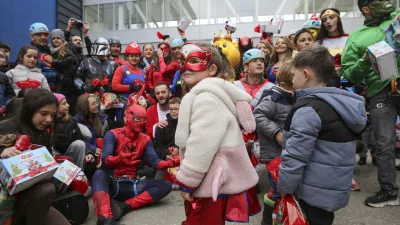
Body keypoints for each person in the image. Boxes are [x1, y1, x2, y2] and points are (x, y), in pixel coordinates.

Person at [278, 45, 367, 225]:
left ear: (305, 74)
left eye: (293, 76)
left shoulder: (308, 110)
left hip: (310, 192)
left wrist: (284, 187)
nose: (292, 81)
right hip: (330, 190)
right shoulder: (340, 104)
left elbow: (295, 156)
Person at [176, 42, 260, 224]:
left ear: (212, 68)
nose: (185, 66)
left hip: (209, 183)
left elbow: (202, 144)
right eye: (182, 61)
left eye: (195, 60)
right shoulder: (210, 94)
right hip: (213, 180)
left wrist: (187, 182)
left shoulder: (206, 99)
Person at [341, 0, 400, 207]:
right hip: (381, 93)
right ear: (366, 8)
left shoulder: (398, 16)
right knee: (384, 144)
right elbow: (348, 74)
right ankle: (389, 192)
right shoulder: (356, 37)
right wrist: (365, 61)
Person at [90, 104, 180, 225]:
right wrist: (119, 159)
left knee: (166, 185)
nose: (141, 123)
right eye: (138, 119)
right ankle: (105, 218)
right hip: (113, 183)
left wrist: (174, 160)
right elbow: (106, 159)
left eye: (144, 120)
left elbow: (156, 163)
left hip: (133, 185)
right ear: (128, 117)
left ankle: (125, 206)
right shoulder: (112, 134)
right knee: (99, 174)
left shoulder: (145, 139)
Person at [0, 88, 70, 225]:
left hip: (33, 193)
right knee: (46, 190)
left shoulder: (43, 133)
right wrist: (2, 151)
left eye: (52, 115)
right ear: (30, 109)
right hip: (8, 197)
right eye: (43, 114)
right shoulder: (6, 127)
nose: (48, 120)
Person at [253, 61, 295, 225]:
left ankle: (285, 216)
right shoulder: (273, 98)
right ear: (283, 85)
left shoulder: (294, 97)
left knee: (286, 189)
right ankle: (268, 218)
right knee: (277, 190)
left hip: (289, 152)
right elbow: (257, 115)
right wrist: (276, 132)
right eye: (294, 87)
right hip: (275, 155)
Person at [53, 93, 94, 169]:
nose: (68, 105)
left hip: (70, 153)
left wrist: (88, 153)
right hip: (54, 156)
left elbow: (79, 138)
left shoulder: (71, 120)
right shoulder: (48, 122)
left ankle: (79, 175)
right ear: (55, 106)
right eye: (64, 104)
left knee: (79, 143)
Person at [74, 94, 108, 179]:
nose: (97, 105)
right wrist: (93, 149)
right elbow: (78, 140)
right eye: (93, 104)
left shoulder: (102, 119)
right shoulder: (76, 122)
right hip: (87, 153)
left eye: (96, 103)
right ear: (85, 106)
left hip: (101, 151)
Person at [46, 29, 79, 113]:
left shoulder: (67, 49)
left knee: (69, 108)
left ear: (63, 39)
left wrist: (53, 62)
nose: (56, 40)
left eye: (58, 38)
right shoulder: (50, 51)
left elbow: (67, 62)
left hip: (68, 85)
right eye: (53, 38)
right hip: (59, 83)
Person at [153, 97, 181, 180]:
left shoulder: (187, 124)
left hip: (184, 158)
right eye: (171, 109)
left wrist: (178, 148)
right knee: (157, 181)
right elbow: (157, 145)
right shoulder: (162, 125)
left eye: (176, 109)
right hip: (168, 158)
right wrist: (165, 155)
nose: (173, 112)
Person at [29, 22, 57, 90]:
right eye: (39, 35)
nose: (43, 37)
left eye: (45, 35)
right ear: (32, 37)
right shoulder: (29, 53)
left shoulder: (51, 52)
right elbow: (33, 74)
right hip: (40, 91)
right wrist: (57, 74)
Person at [0, 50, 15, 114]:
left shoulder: (3, 76)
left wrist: (5, 107)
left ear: (5, 62)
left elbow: (10, 96)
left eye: (2, 57)